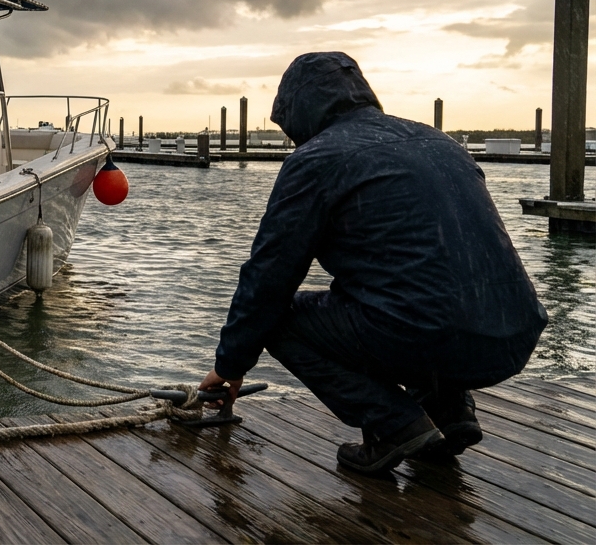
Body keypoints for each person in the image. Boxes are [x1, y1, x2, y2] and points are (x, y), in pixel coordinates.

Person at [199, 52, 547, 474]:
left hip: (429, 334)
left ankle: (395, 425)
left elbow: (268, 278)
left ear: (299, 112)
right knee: (409, 290)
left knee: (282, 319)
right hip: (513, 334)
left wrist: (229, 366)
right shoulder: (439, 142)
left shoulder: (316, 160)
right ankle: (449, 413)